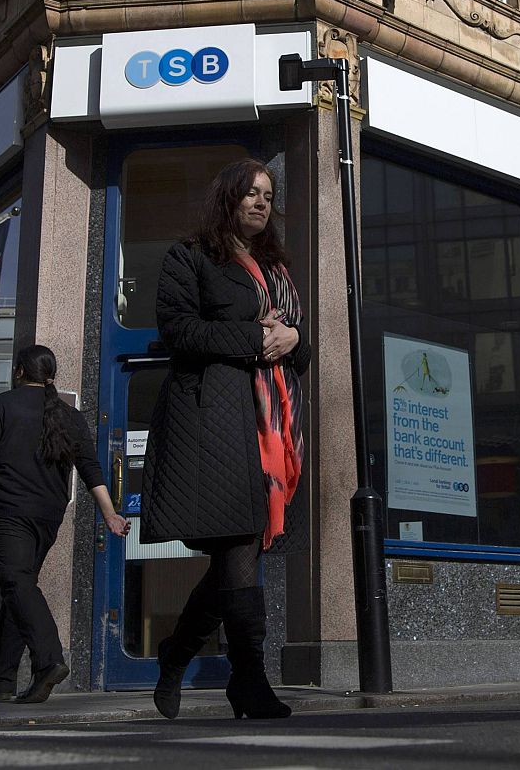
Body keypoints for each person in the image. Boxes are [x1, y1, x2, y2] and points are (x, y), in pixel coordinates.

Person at [142, 158, 310, 720]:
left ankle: (178, 652)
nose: (261, 203)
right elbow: (178, 331)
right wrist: (255, 339)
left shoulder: (275, 269)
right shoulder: (190, 256)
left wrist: (292, 338)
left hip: (270, 426)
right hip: (214, 419)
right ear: (227, 200)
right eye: (250, 194)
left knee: (240, 556)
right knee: (239, 548)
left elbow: (295, 350)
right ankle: (249, 679)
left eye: (268, 194)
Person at [0, 345, 130, 703]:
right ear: (50, 376)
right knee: (21, 588)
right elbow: (90, 468)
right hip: (49, 517)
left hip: (11, 514)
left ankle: (49, 660)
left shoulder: (2, 405)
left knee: (17, 584)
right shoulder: (69, 416)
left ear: (19, 372)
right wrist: (109, 512)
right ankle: (1, 683)